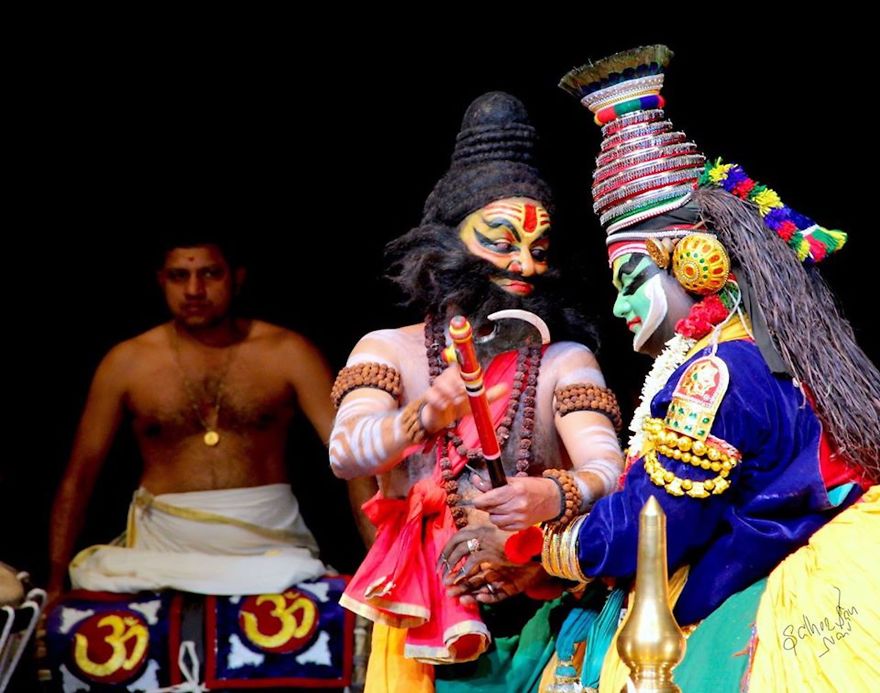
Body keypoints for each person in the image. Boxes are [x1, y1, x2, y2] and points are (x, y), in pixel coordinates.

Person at [477, 45, 880, 691]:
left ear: (694, 260)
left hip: (758, 584)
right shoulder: (757, 348)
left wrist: (536, 546)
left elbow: (657, 524)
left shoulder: (715, 373)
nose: (619, 304)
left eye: (631, 278)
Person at [328, 91, 625, 692]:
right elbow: (345, 453)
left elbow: (610, 469)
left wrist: (548, 497)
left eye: (538, 250)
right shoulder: (388, 350)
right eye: (501, 240)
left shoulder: (565, 358)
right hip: (421, 620)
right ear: (448, 242)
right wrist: (421, 417)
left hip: (548, 607)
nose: (525, 265)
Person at [46, 236, 373, 689]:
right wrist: (54, 582)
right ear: (162, 281)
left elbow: (356, 459)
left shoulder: (286, 352)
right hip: (160, 549)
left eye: (209, 274)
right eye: (180, 276)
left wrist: (382, 566)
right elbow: (79, 476)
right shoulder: (127, 362)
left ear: (236, 278)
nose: (194, 289)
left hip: (268, 547)